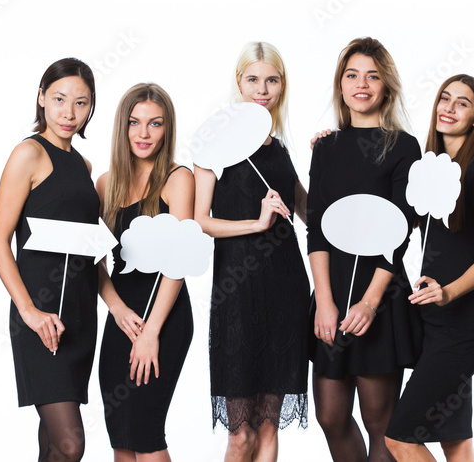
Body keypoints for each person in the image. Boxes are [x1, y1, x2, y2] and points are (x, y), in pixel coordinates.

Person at [194, 42, 310, 462]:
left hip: (286, 288)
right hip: (237, 295)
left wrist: (331, 153)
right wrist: (256, 223)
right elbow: (197, 220)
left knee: (267, 428)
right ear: (238, 82)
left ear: (282, 86)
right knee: (240, 435)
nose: (262, 89)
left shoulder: (279, 147)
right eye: (253, 79)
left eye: (272, 80)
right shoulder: (213, 145)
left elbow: (309, 212)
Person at [308, 36, 422, 461]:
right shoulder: (326, 147)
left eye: (372, 76)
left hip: (382, 292)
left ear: (386, 87)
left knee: (380, 423)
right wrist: (324, 301)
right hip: (331, 289)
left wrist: (370, 303)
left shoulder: (405, 147)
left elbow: (400, 234)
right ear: (340, 86)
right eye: (352, 75)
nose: (362, 84)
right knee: (331, 417)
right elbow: (316, 229)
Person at [385, 75, 474, 462]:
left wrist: (447, 291)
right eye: (444, 99)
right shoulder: (429, 167)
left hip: (465, 325)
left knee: (399, 438)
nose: (448, 109)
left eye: (462, 103)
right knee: (455, 440)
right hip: (433, 322)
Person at [0, 58, 99, 462]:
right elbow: (0, 241)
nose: (69, 113)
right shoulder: (27, 154)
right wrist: (30, 311)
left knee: (53, 444)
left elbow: (90, 246)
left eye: (81, 103)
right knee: (72, 445)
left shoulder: (85, 166)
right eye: (59, 99)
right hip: (39, 316)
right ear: (41, 98)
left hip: (81, 314)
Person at [96, 83, 195, 461]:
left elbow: (180, 260)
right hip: (122, 316)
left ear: (167, 128)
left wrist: (151, 331)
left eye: (155, 124)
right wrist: (117, 310)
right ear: (123, 127)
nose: (143, 133)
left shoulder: (177, 178)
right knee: (120, 433)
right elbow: (97, 262)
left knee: (146, 431)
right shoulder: (106, 184)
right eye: (135, 123)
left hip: (164, 316)